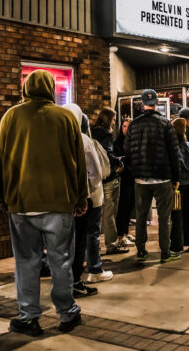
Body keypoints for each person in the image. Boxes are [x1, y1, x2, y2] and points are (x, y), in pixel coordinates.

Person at [0, 70, 87, 336]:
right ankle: (67, 314)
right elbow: (77, 161)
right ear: (50, 89)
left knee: (26, 263)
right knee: (62, 262)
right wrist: (81, 197)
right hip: (60, 203)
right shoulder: (65, 117)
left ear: (25, 88)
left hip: (22, 203)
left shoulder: (11, 116)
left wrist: (0, 196)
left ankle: (28, 316)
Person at [123, 89, 180, 263]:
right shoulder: (166, 124)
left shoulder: (134, 125)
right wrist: (176, 177)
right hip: (162, 177)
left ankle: (141, 251)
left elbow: (127, 151)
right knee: (164, 217)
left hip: (140, 178)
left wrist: (135, 170)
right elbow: (174, 153)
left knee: (141, 217)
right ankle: (165, 253)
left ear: (142, 104)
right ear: (156, 103)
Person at [63, 104, 111, 299]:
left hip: (61, 199)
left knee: (64, 243)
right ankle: (75, 281)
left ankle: (64, 281)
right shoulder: (83, 140)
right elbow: (95, 172)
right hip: (83, 199)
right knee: (80, 240)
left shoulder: (56, 138)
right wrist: (91, 189)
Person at [91, 108, 128, 255]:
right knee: (110, 212)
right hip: (110, 176)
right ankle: (111, 245)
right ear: (108, 119)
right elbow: (108, 153)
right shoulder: (106, 134)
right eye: (113, 120)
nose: (114, 122)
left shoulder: (92, 132)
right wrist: (119, 162)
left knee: (98, 213)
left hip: (97, 176)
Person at [172, 118, 189, 253]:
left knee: (177, 215)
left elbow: (175, 165)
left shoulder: (174, 147)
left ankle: (177, 245)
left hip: (180, 184)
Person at [114, 117, 135, 247]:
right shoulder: (117, 142)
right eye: (124, 126)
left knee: (129, 206)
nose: (126, 128)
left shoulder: (134, 142)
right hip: (123, 178)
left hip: (132, 177)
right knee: (122, 207)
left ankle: (126, 233)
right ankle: (120, 235)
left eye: (128, 126)